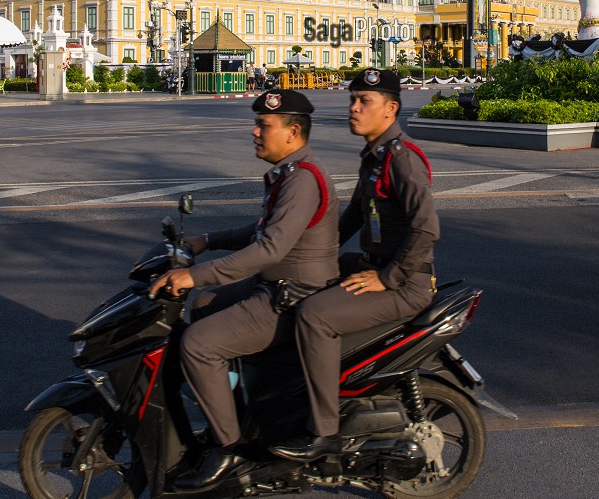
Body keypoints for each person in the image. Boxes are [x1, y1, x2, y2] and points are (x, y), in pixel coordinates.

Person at [148, 88, 338, 490]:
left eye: (263, 126)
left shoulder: (303, 179)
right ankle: (240, 416)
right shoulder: (288, 173)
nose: (254, 132)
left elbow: (269, 248)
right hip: (279, 286)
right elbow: (259, 231)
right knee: (203, 307)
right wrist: (207, 240)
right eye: (256, 124)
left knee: (198, 344)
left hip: (292, 296)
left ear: (292, 132)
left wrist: (195, 273)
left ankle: (228, 447)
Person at [272, 68, 439, 462]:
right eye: (352, 100)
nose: (354, 108)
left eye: (365, 101)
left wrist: (387, 278)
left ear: (391, 109)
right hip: (373, 263)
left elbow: (426, 228)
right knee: (303, 283)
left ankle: (324, 431)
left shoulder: (403, 160)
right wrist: (310, 257)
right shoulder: (375, 155)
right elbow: (353, 217)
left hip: (407, 283)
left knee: (315, 316)